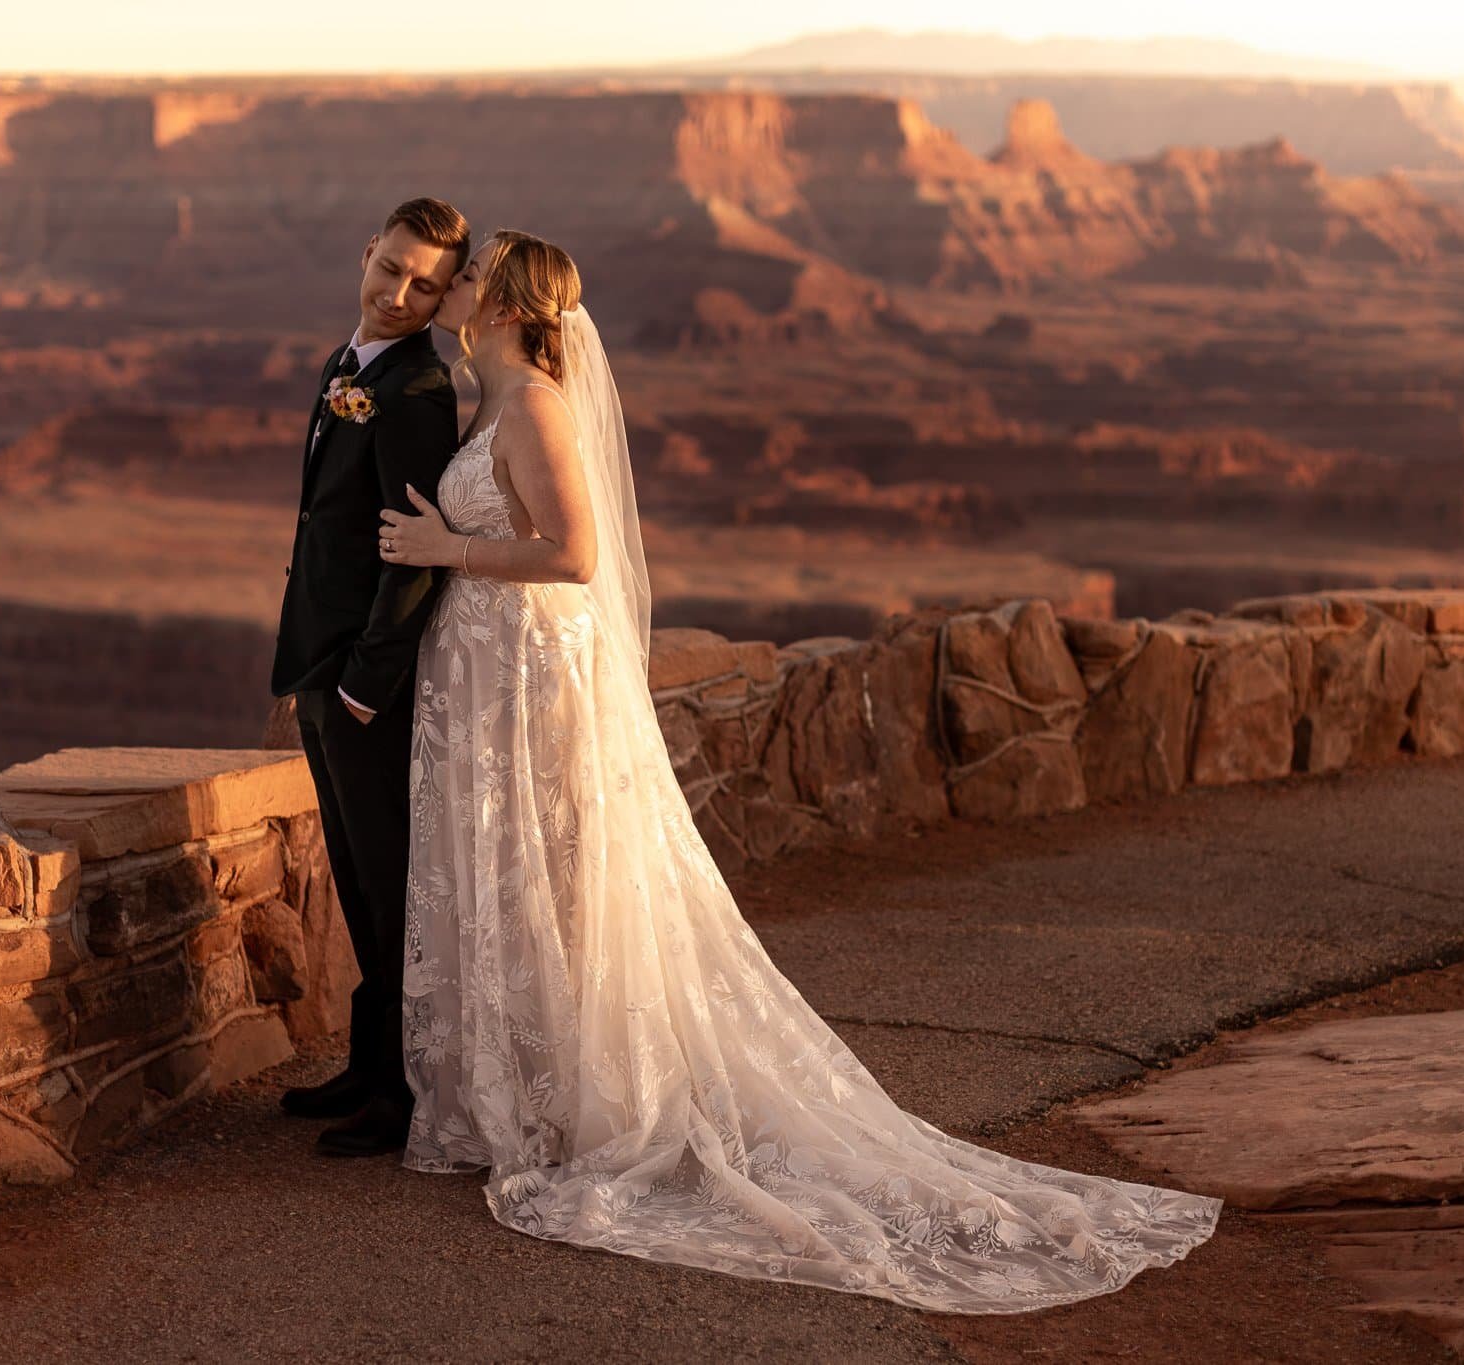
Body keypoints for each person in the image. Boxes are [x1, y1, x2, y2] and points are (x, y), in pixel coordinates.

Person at [373, 229, 1220, 1312]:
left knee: (557, 870)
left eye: (472, 270)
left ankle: (576, 1104)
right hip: (494, 670)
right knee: (518, 875)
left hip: (534, 674)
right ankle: (524, 1095)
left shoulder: (532, 403)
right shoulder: (487, 395)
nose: (451, 283)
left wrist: (447, 550)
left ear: (503, 303)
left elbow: (575, 556)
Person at [269, 197, 469, 1158]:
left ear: (444, 297)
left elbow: (416, 553)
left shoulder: (418, 391)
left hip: (364, 683)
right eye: (391, 268)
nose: (398, 294)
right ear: (368, 253)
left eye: (424, 284)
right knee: (353, 871)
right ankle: (365, 1065)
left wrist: (360, 685)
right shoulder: (349, 365)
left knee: (389, 878)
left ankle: (398, 1092)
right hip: (322, 662)